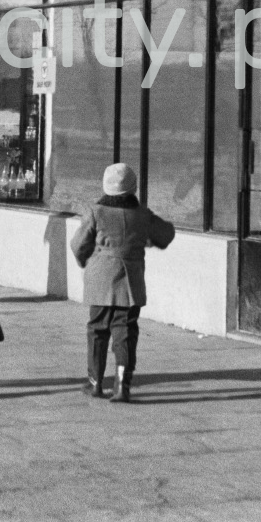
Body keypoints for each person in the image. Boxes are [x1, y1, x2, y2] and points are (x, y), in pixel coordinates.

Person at [69, 163, 175, 403]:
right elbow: (166, 234)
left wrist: (85, 260)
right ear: (133, 187)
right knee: (125, 333)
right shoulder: (142, 215)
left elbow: (78, 245)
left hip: (100, 279)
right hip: (130, 282)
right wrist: (146, 239)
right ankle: (121, 385)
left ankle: (95, 383)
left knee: (97, 330)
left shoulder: (96, 211)